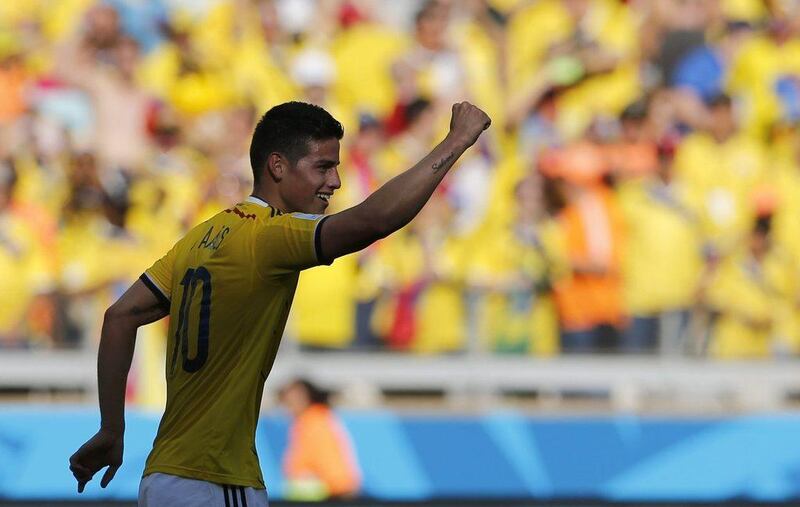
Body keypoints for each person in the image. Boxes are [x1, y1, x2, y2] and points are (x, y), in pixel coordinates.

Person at [68, 100, 490, 505]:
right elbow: (374, 220)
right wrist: (456, 141)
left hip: (163, 476)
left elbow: (120, 316)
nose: (336, 182)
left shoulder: (201, 238)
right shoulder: (271, 237)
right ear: (277, 166)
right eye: (323, 167)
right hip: (215, 478)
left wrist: (111, 427)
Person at [279, 379, 360, 500]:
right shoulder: (317, 418)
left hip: (332, 493)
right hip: (334, 490)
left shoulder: (313, 421)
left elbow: (330, 470)